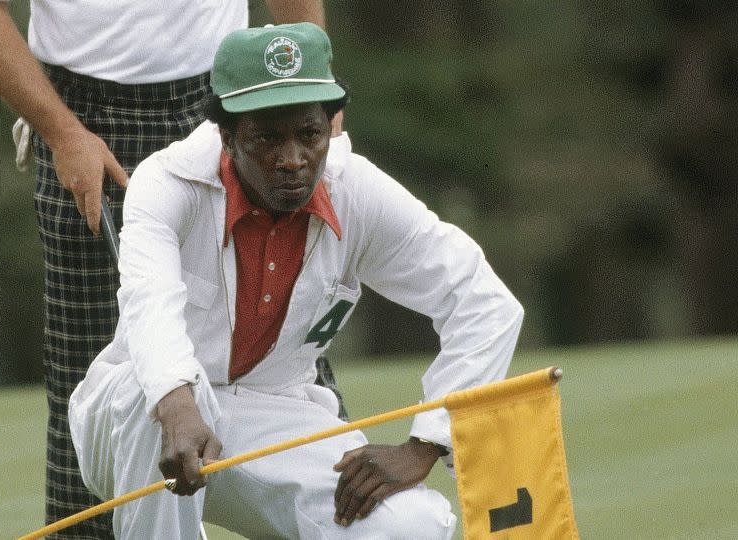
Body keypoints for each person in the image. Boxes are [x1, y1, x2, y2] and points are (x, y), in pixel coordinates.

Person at [68, 22, 525, 539]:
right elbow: (149, 307)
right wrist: (177, 405)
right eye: (267, 137)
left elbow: (486, 304)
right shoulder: (165, 182)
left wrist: (426, 444)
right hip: (137, 418)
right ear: (226, 134)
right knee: (144, 390)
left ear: (330, 126)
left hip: (276, 413)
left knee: (413, 526)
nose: (293, 160)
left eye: (309, 134)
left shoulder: (358, 191)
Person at [0, 1, 347, 537]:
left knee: (286, 352)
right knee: (101, 386)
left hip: (244, 105)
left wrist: (309, 92)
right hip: (86, 122)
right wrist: (63, 134)